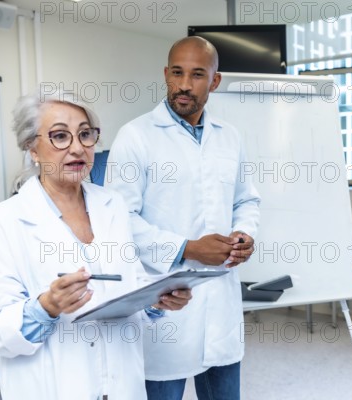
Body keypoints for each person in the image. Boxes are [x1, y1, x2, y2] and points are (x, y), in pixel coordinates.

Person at [0, 89, 192, 400]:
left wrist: (155, 301)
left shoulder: (111, 204)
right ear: (32, 147)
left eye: (85, 135)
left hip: (122, 385)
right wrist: (47, 307)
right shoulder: (1, 223)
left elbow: (129, 287)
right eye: (60, 136)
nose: (77, 148)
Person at [106, 36, 261, 400]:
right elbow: (118, 219)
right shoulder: (135, 137)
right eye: (177, 73)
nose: (184, 85)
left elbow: (247, 200)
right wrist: (188, 248)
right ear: (166, 74)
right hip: (165, 302)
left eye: (197, 75)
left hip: (220, 301)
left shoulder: (230, 138)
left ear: (215, 81)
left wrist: (243, 235)